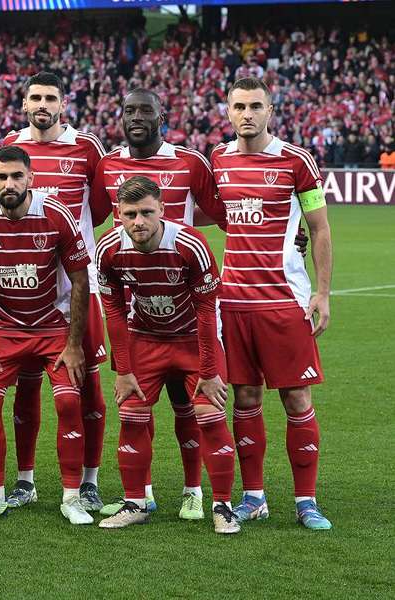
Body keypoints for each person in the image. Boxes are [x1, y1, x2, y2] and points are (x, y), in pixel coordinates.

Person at [90, 88, 227, 520]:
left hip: (187, 308)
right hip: (142, 317)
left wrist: (290, 230)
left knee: (197, 412)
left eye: (145, 110)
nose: (136, 117)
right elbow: (88, 213)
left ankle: (198, 494)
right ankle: (141, 496)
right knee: (135, 412)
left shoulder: (189, 162)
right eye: (128, 109)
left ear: (161, 116)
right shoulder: (107, 165)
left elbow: (223, 214)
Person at [212, 77, 333, 530]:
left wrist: (322, 293)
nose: (247, 114)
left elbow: (319, 228)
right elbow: (206, 210)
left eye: (256, 106)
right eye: (239, 106)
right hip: (233, 302)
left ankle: (306, 501)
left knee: (296, 396)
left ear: (271, 110)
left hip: (285, 301)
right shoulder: (218, 160)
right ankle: (254, 495)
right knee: (243, 397)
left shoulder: (296, 161)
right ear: (228, 112)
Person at [94, 176, 239, 534]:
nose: (138, 221)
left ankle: (223, 506)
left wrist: (208, 371)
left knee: (209, 415)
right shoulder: (108, 249)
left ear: (162, 209)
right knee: (131, 415)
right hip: (145, 339)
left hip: (193, 338)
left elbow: (207, 312)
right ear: (119, 215)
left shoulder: (191, 244)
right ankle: (135, 502)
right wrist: (123, 371)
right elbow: (113, 312)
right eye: (130, 214)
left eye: (146, 212)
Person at [0, 146, 92, 524]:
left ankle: (71, 497)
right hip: (4, 325)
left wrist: (74, 343)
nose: (9, 184)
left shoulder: (56, 214)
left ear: (30, 178)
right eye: (1, 177)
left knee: (69, 403)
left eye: (17, 176)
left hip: (53, 325)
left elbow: (80, 279)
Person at [1, 72, 107, 512]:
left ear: (63, 104)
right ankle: (25, 479)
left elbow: (99, 209)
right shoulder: (10, 144)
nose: (42, 104)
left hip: (79, 286)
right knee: (27, 384)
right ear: (24, 105)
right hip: (25, 289)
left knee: (89, 385)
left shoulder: (86, 147)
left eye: (50, 98)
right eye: (35, 98)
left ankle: (89, 480)